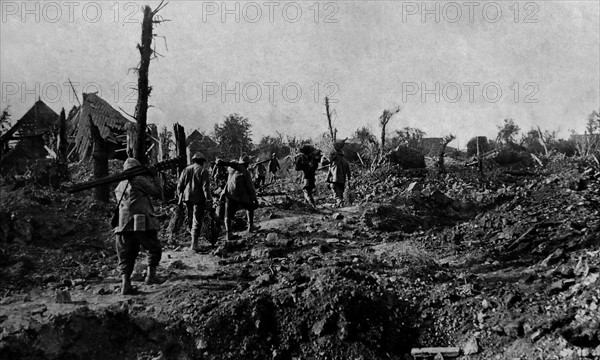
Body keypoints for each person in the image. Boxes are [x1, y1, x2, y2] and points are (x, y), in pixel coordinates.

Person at [114, 158, 163, 295]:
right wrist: (155, 176)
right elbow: (158, 193)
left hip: (123, 224)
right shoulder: (139, 180)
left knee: (126, 254)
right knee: (153, 247)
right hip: (142, 221)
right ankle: (150, 277)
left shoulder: (120, 185)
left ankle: (126, 284)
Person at [216, 155, 260, 240]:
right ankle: (250, 226)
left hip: (229, 194)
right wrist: (255, 199)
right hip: (240, 195)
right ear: (246, 164)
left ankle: (229, 234)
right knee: (250, 207)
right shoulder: (245, 172)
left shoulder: (231, 169)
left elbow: (231, 167)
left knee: (228, 215)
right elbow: (251, 187)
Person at [177, 152, 212, 251]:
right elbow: (205, 187)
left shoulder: (186, 170)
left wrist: (180, 195)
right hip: (198, 198)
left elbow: (180, 185)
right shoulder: (203, 171)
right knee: (197, 219)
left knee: (190, 217)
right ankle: (194, 244)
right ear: (202, 161)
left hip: (187, 198)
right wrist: (209, 199)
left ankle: (193, 241)